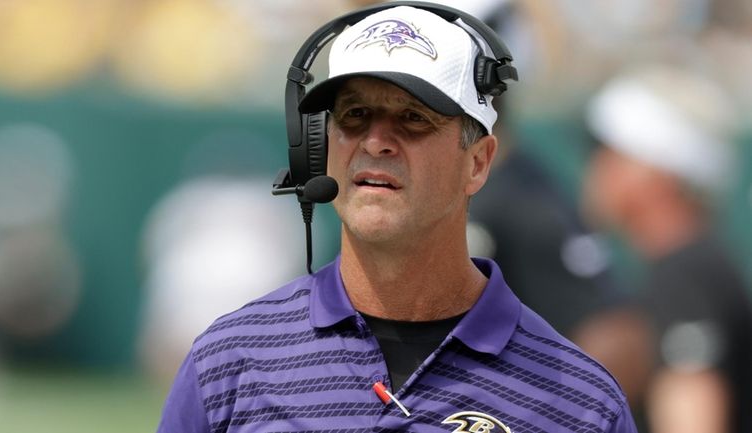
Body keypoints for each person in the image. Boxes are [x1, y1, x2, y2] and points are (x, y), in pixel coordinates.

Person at [156, 4, 637, 432]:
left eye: (412, 119)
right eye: (354, 115)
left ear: (478, 162)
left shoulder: (582, 404)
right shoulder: (228, 363)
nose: (375, 142)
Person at [583, 64, 752, 433]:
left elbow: (693, 413)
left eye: (608, 150)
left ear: (654, 172)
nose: (595, 165)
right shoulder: (697, 263)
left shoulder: (683, 273)